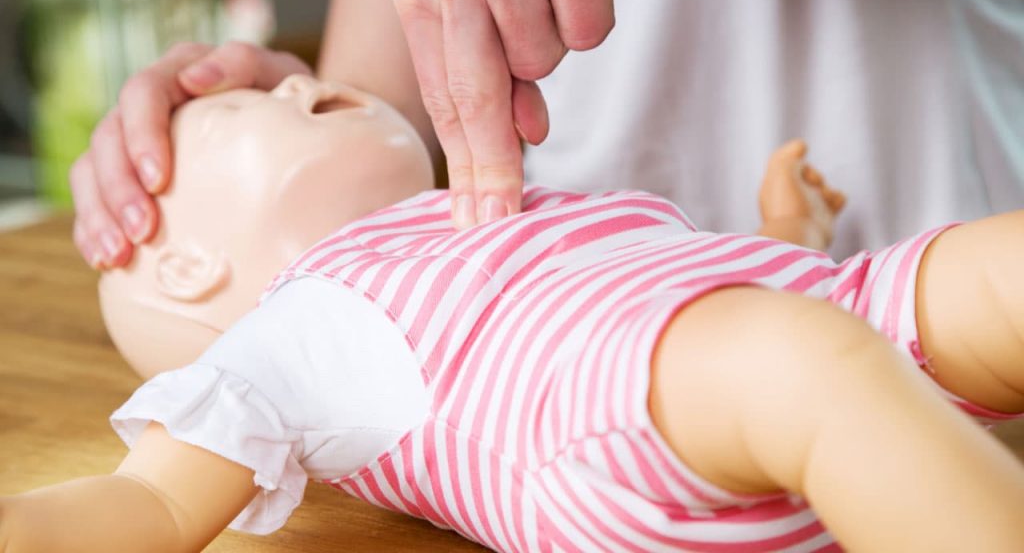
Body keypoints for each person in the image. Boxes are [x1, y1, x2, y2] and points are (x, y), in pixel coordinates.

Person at [3, 77, 1023, 552]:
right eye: (237, 112)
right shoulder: (295, 327)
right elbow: (153, 508)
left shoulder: (500, 198)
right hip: (610, 431)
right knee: (810, 366)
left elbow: (681, 288)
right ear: (184, 267)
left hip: (779, 333)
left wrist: (784, 239)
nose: (303, 81)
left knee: (992, 268)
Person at [67, 0, 1024, 270]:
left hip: (947, 301)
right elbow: (399, 92)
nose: (287, 102)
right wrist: (335, 124)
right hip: (571, 360)